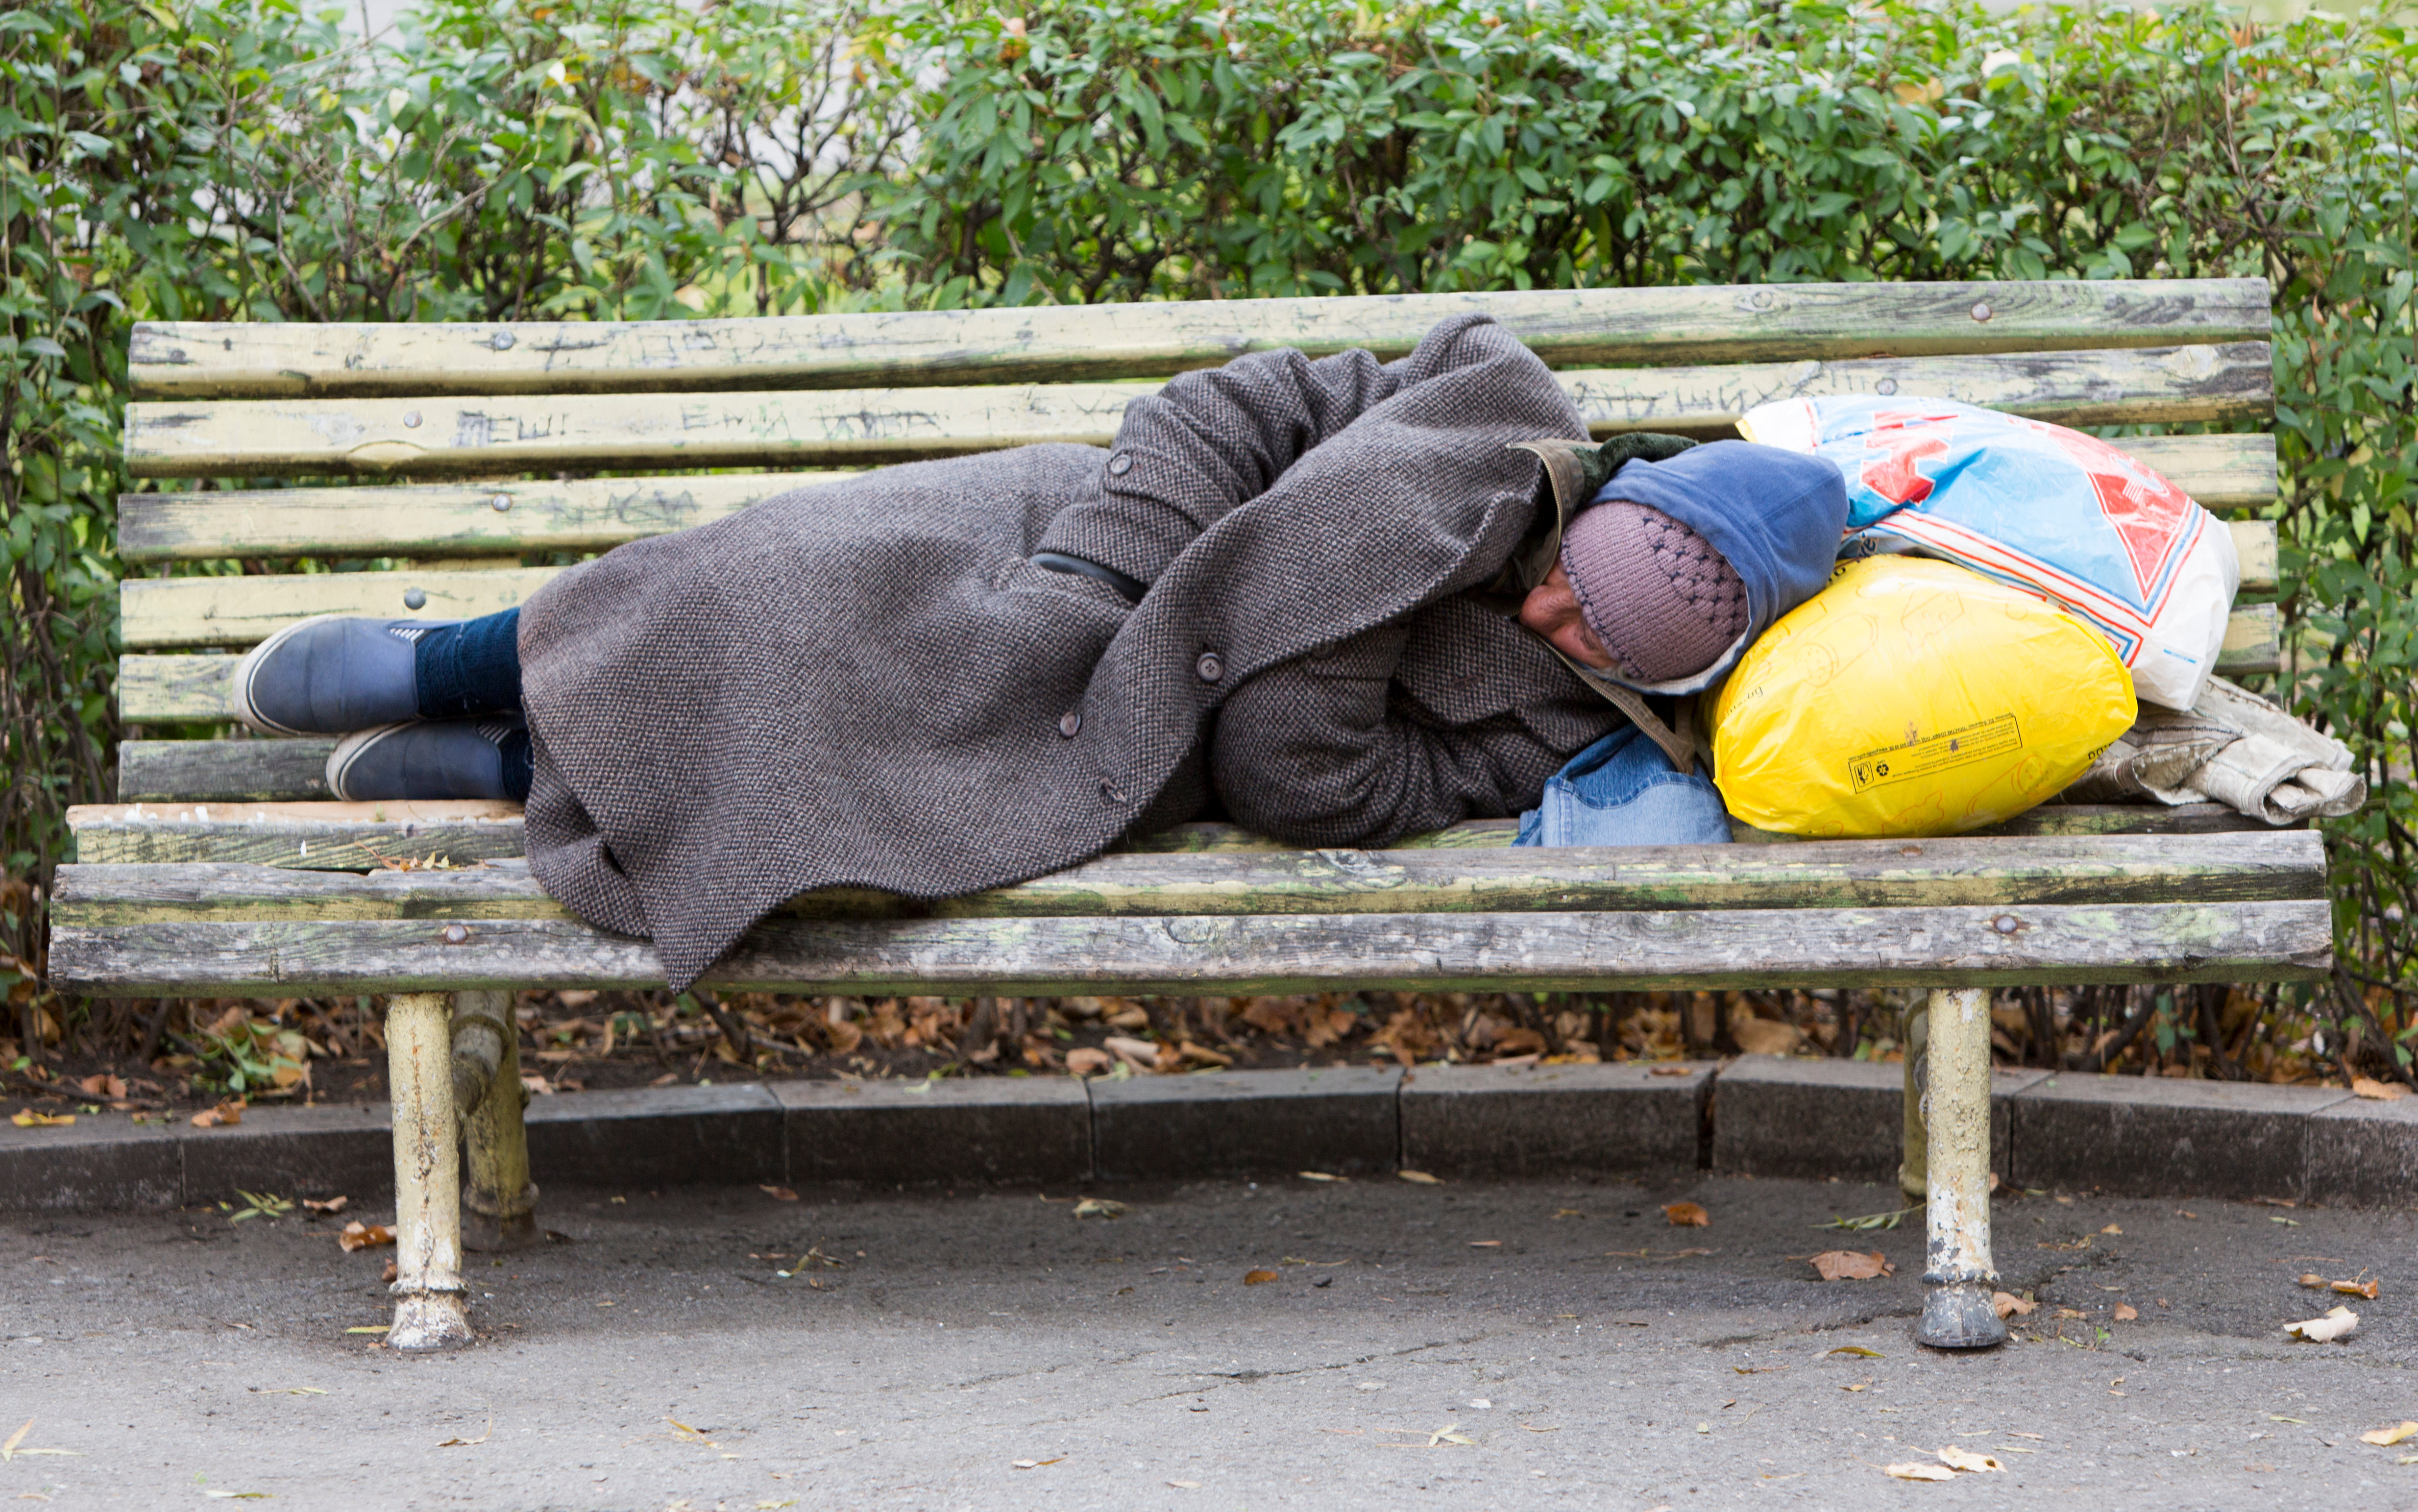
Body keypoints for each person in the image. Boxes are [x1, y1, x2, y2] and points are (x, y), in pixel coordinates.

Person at [228, 315, 1847, 987]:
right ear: (1615, 502)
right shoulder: (1487, 415)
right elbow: (1237, 407)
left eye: (1602, 643)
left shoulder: (1558, 725)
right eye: (1579, 582)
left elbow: (1319, 787)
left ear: (1654, 677)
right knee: (788, 579)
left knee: (865, 776)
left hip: (1136, 745)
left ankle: (527, 768)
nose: (1557, 620)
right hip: (1083, 537)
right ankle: (469, 665)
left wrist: (1319, 638)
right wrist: (1101, 566)